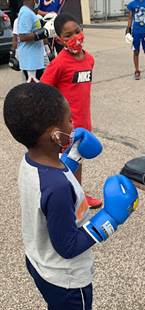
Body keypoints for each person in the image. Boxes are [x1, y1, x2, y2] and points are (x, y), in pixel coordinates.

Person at [3, 82, 138, 310]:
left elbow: (65, 180)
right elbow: (68, 246)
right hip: (66, 276)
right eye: (68, 122)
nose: (73, 125)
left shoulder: (35, 161)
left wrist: (74, 155)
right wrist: (108, 220)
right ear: (53, 134)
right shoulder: (56, 187)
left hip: (40, 263)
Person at [41, 13, 102, 209]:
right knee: (62, 164)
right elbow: (43, 91)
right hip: (65, 125)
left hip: (84, 123)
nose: (75, 37)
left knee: (78, 159)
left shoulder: (90, 60)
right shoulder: (59, 63)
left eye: (77, 31)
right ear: (59, 39)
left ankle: (78, 196)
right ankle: (64, 200)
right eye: (68, 36)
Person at [17, 0, 48, 82]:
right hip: (30, 62)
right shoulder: (26, 13)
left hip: (36, 60)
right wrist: (42, 33)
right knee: (33, 91)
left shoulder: (30, 12)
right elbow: (22, 36)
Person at [126, 0, 145, 80]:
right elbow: (130, 18)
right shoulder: (132, 4)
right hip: (135, 32)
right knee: (136, 51)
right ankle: (137, 70)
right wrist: (128, 32)